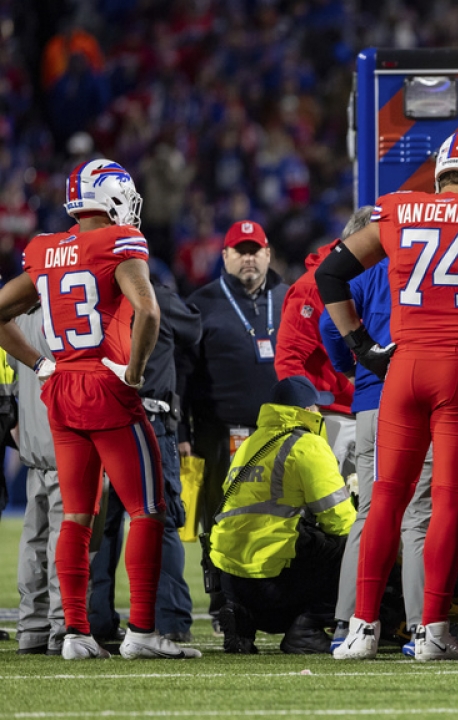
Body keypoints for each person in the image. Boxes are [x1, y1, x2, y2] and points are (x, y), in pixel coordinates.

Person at [317, 130, 458, 661]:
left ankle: (360, 629)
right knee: (445, 501)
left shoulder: (398, 210)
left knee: (384, 501)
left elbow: (330, 273)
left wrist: (361, 345)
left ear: (441, 173)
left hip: (402, 369)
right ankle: (432, 633)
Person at [0, 159, 199, 660]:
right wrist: (134, 371)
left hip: (61, 389)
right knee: (148, 510)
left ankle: (75, 633)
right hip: (104, 387)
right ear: (111, 196)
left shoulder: (46, 249)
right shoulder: (118, 243)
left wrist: (40, 364)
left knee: (77, 516)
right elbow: (149, 310)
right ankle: (143, 632)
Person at [320, 250, 434, 653]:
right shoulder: (426, 262)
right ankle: (425, 627)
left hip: (371, 401)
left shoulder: (367, 275)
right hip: (421, 400)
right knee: (418, 515)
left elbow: (328, 325)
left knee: (369, 512)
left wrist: (354, 369)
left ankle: (348, 622)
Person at [185, 219, 288, 629]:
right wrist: (183, 435)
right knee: (221, 523)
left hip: (281, 434)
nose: (248, 257)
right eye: (239, 250)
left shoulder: (287, 296)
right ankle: (222, 605)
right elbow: (184, 375)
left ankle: (276, 603)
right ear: (224, 256)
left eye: (255, 249)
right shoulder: (201, 303)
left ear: (268, 254)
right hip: (220, 433)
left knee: (280, 520)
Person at [89, 278, 202, 643]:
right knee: (159, 518)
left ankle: (97, 621)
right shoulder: (159, 298)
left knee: (103, 525)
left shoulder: (90, 296)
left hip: (98, 418)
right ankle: (169, 621)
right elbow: (194, 329)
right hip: (148, 418)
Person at [211, 376, 356, 655]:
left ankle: (243, 620)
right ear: (306, 411)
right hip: (275, 576)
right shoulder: (307, 444)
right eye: (316, 406)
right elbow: (340, 520)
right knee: (354, 543)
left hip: (231, 578)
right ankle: (307, 628)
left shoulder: (250, 443)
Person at [275, 211, 364, 468]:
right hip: (329, 414)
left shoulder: (366, 278)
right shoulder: (310, 288)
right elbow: (288, 357)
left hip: (362, 410)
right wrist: (305, 409)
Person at [11, 306, 65, 655]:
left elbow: (10, 389)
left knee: (34, 540)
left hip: (32, 449)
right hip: (68, 444)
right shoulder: (69, 314)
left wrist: (24, 440)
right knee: (69, 541)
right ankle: (65, 629)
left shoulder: (15, 319)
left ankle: (31, 630)